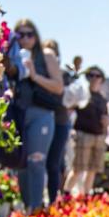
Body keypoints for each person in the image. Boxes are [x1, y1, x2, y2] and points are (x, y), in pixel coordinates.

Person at [11, 18, 64, 211]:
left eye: (29, 34)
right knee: (21, 163)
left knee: (36, 160)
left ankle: (36, 207)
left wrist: (35, 76)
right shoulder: (11, 54)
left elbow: (58, 87)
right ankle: (28, 207)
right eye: (20, 34)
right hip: (18, 113)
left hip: (41, 114)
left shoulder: (46, 55)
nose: (25, 39)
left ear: (36, 36)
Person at [66, 65, 109, 197]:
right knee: (78, 168)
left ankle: (85, 196)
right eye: (91, 75)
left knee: (92, 170)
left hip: (99, 136)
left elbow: (105, 119)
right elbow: (69, 110)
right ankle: (66, 195)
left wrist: (105, 134)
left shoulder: (102, 98)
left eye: (97, 76)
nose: (94, 78)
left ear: (102, 79)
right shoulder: (82, 93)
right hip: (82, 134)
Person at [42, 38, 73, 204]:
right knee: (39, 161)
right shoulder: (36, 73)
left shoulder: (65, 75)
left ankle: (54, 199)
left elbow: (71, 98)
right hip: (41, 119)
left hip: (60, 121)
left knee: (54, 162)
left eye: (52, 50)